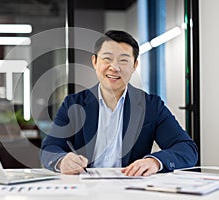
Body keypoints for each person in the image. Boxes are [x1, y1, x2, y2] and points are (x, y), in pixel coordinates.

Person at [40, 30, 198, 176]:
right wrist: (62, 161)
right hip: (85, 187)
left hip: (131, 186)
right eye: (107, 59)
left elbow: (187, 149)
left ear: (134, 65)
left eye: (123, 60)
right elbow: (49, 149)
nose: (114, 67)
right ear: (94, 62)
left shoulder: (151, 106)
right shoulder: (73, 104)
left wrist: (155, 162)